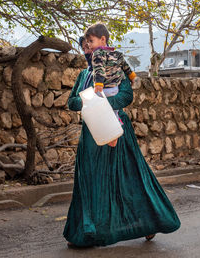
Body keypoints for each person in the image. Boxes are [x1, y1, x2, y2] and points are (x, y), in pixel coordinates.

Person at [63, 35, 180, 247]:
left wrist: (102, 102)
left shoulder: (115, 69)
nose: (88, 51)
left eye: (90, 46)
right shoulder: (83, 76)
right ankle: (86, 232)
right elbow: (71, 102)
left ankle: (149, 222)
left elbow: (126, 96)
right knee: (89, 180)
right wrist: (86, 101)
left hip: (117, 130)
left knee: (128, 177)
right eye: (85, 48)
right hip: (91, 133)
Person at [84, 22, 136, 147]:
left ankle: (113, 135)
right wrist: (132, 77)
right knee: (113, 112)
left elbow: (98, 69)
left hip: (105, 89)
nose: (89, 45)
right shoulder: (117, 54)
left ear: (102, 39)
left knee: (101, 114)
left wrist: (98, 84)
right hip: (115, 89)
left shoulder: (97, 54)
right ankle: (116, 127)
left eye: (91, 41)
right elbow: (126, 67)